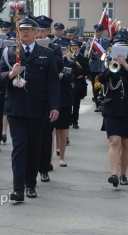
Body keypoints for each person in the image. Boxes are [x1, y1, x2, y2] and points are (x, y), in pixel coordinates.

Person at [0, 16, 60, 201]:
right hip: (15, 108)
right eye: (22, 29)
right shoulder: (9, 53)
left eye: (29, 29)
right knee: (19, 148)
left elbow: (53, 83)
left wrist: (54, 106)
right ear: (18, 32)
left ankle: (30, 184)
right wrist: (10, 74)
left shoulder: (46, 54)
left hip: (37, 108)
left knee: (34, 149)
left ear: (35, 32)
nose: (25, 32)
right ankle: (18, 189)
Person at [98, 34, 128, 187]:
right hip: (112, 106)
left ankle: (123, 174)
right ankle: (114, 174)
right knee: (114, 142)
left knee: (126, 143)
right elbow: (101, 80)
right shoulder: (107, 62)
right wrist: (111, 67)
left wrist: (125, 65)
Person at [35, 15, 64, 183]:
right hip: (31, 95)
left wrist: (49, 53)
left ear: (48, 31)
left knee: (46, 136)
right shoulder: (26, 47)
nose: (39, 33)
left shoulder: (55, 48)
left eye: (42, 30)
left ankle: (44, 168)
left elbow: (59, 67)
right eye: (37, 30)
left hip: (46, 97)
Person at [53, 39, 75, 167]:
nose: (62, 52)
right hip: (52, 98)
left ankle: (62, 157)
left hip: (65, 98)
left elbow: (68, 78)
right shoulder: (51, 61)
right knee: (51, 130)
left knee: (62, 129)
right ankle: (48, 159)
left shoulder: (70, 63)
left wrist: (60, 75)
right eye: (60, 50)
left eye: (64, 49)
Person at [84, 24, 112, 112]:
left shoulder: (107, 42)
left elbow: (109, 53)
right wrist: (88, 52)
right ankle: (97, 104)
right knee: (95, 86)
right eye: (97, 31)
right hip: (94, 65)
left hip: (103, 65)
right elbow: (86, 53)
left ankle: (103, 102)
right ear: (94, 32)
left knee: (104, 84)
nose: (98, 33)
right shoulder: (91, 42)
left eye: (100, 31)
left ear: (102, 32)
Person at [70, 40, 90, 129]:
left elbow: (87, 70)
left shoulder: (83, 59)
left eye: (76, 48)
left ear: (79, 48)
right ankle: (69, 119)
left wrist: (78, 71)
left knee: (76, 104)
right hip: (69, 83)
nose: (74, 50)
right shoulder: (68, 57)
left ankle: (75, 121)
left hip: (78, 83)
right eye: (72, 48)